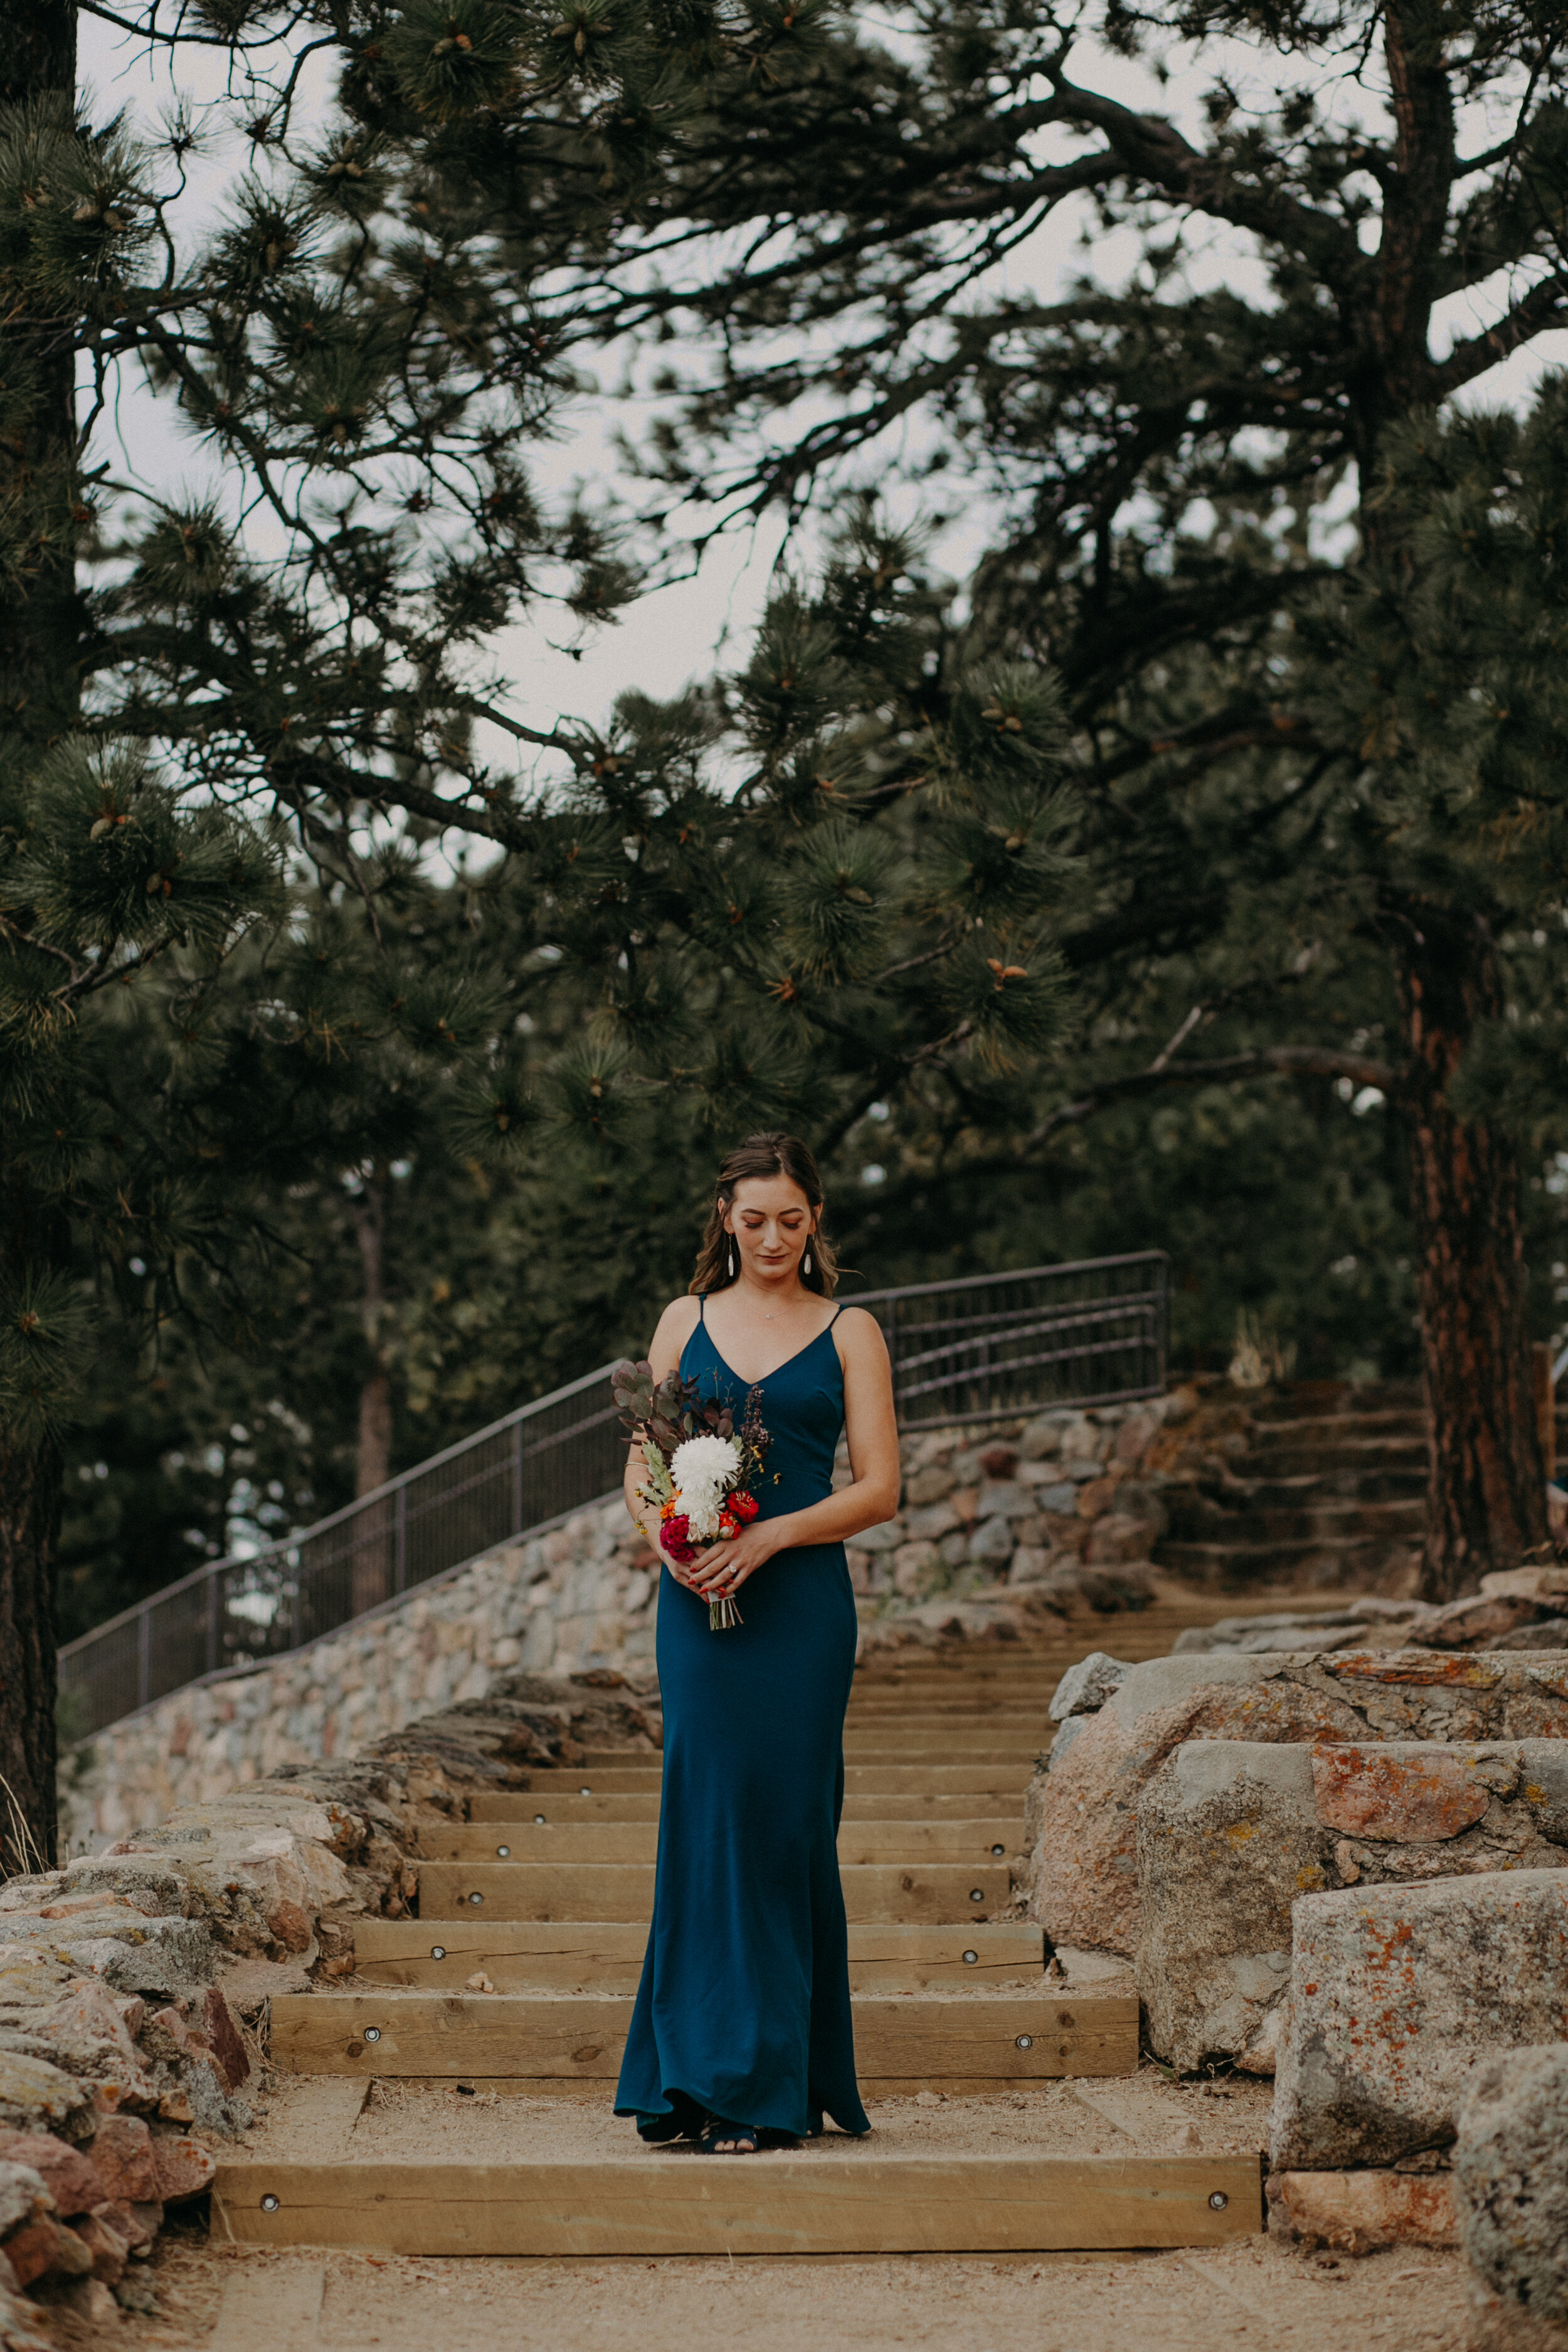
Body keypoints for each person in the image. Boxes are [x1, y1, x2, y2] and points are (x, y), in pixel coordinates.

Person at [613, 1131, 901, 2154]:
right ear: (724, 1218)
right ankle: (690, 2078)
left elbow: (879, 1486)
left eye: (791, 1218)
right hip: (696, 1606)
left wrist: (772, 1532)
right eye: (753, 1219)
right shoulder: (681, 1321)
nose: (772, 1237)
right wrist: (674, 1543)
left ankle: (766, 2081)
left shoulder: (851, 1329)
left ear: (815, 1216)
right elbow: (645, 1469)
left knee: (783, 1828)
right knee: (706, 1821)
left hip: (802, 1610)